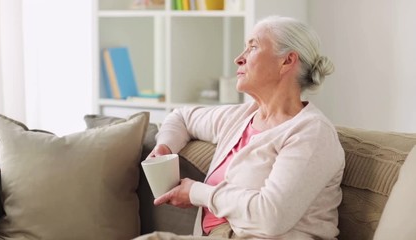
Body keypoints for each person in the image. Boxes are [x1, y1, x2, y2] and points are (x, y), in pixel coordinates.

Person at [146, 15, 345, 239]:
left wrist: (195, 192)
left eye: (253, 47)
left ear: (287, 61)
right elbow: (180, 117)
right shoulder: (242, 116)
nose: (239, 59)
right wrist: (165, 148)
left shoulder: (311, 133)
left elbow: (270, 217)